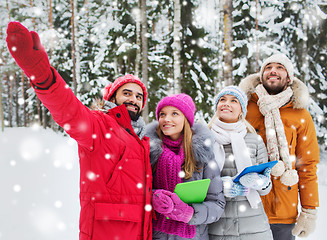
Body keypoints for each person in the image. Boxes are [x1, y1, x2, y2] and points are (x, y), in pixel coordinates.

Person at [6, 21, 153, 240]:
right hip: (106, 233)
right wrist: (42, 74)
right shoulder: (100, 124)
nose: (134, 99)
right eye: (127, 93)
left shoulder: (143, 141)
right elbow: (69, 110)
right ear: (112, 98)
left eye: (139, 96)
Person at [239, 53, 319, 240]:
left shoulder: (300, 114)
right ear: (261, 75)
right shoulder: (244, 108)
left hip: (283, 211)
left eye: (279, 67)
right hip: (247, 204)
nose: (273, 70)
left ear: (288, 77)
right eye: (268, 67)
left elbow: (307, 164)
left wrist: (309, 210)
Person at [145, 93, 225, 240]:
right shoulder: (148, 152)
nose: (166, 119)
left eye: (174, 113)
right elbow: (137, 191)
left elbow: (217, 204)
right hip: (157, 235)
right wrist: (153, 196)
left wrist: (190, 214)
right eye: (162, 114)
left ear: (186, 119)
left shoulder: (204, 155)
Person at [208, 86, 273, 240]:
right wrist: (218, 187)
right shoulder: (204, 139)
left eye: (233, 101)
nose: (226, 103)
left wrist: (259, 181)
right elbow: (196, 179)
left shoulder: (255, 140)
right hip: (217, 227)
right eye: (222, 100)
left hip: (254, 227)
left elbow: (266, 187)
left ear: (242, 110)